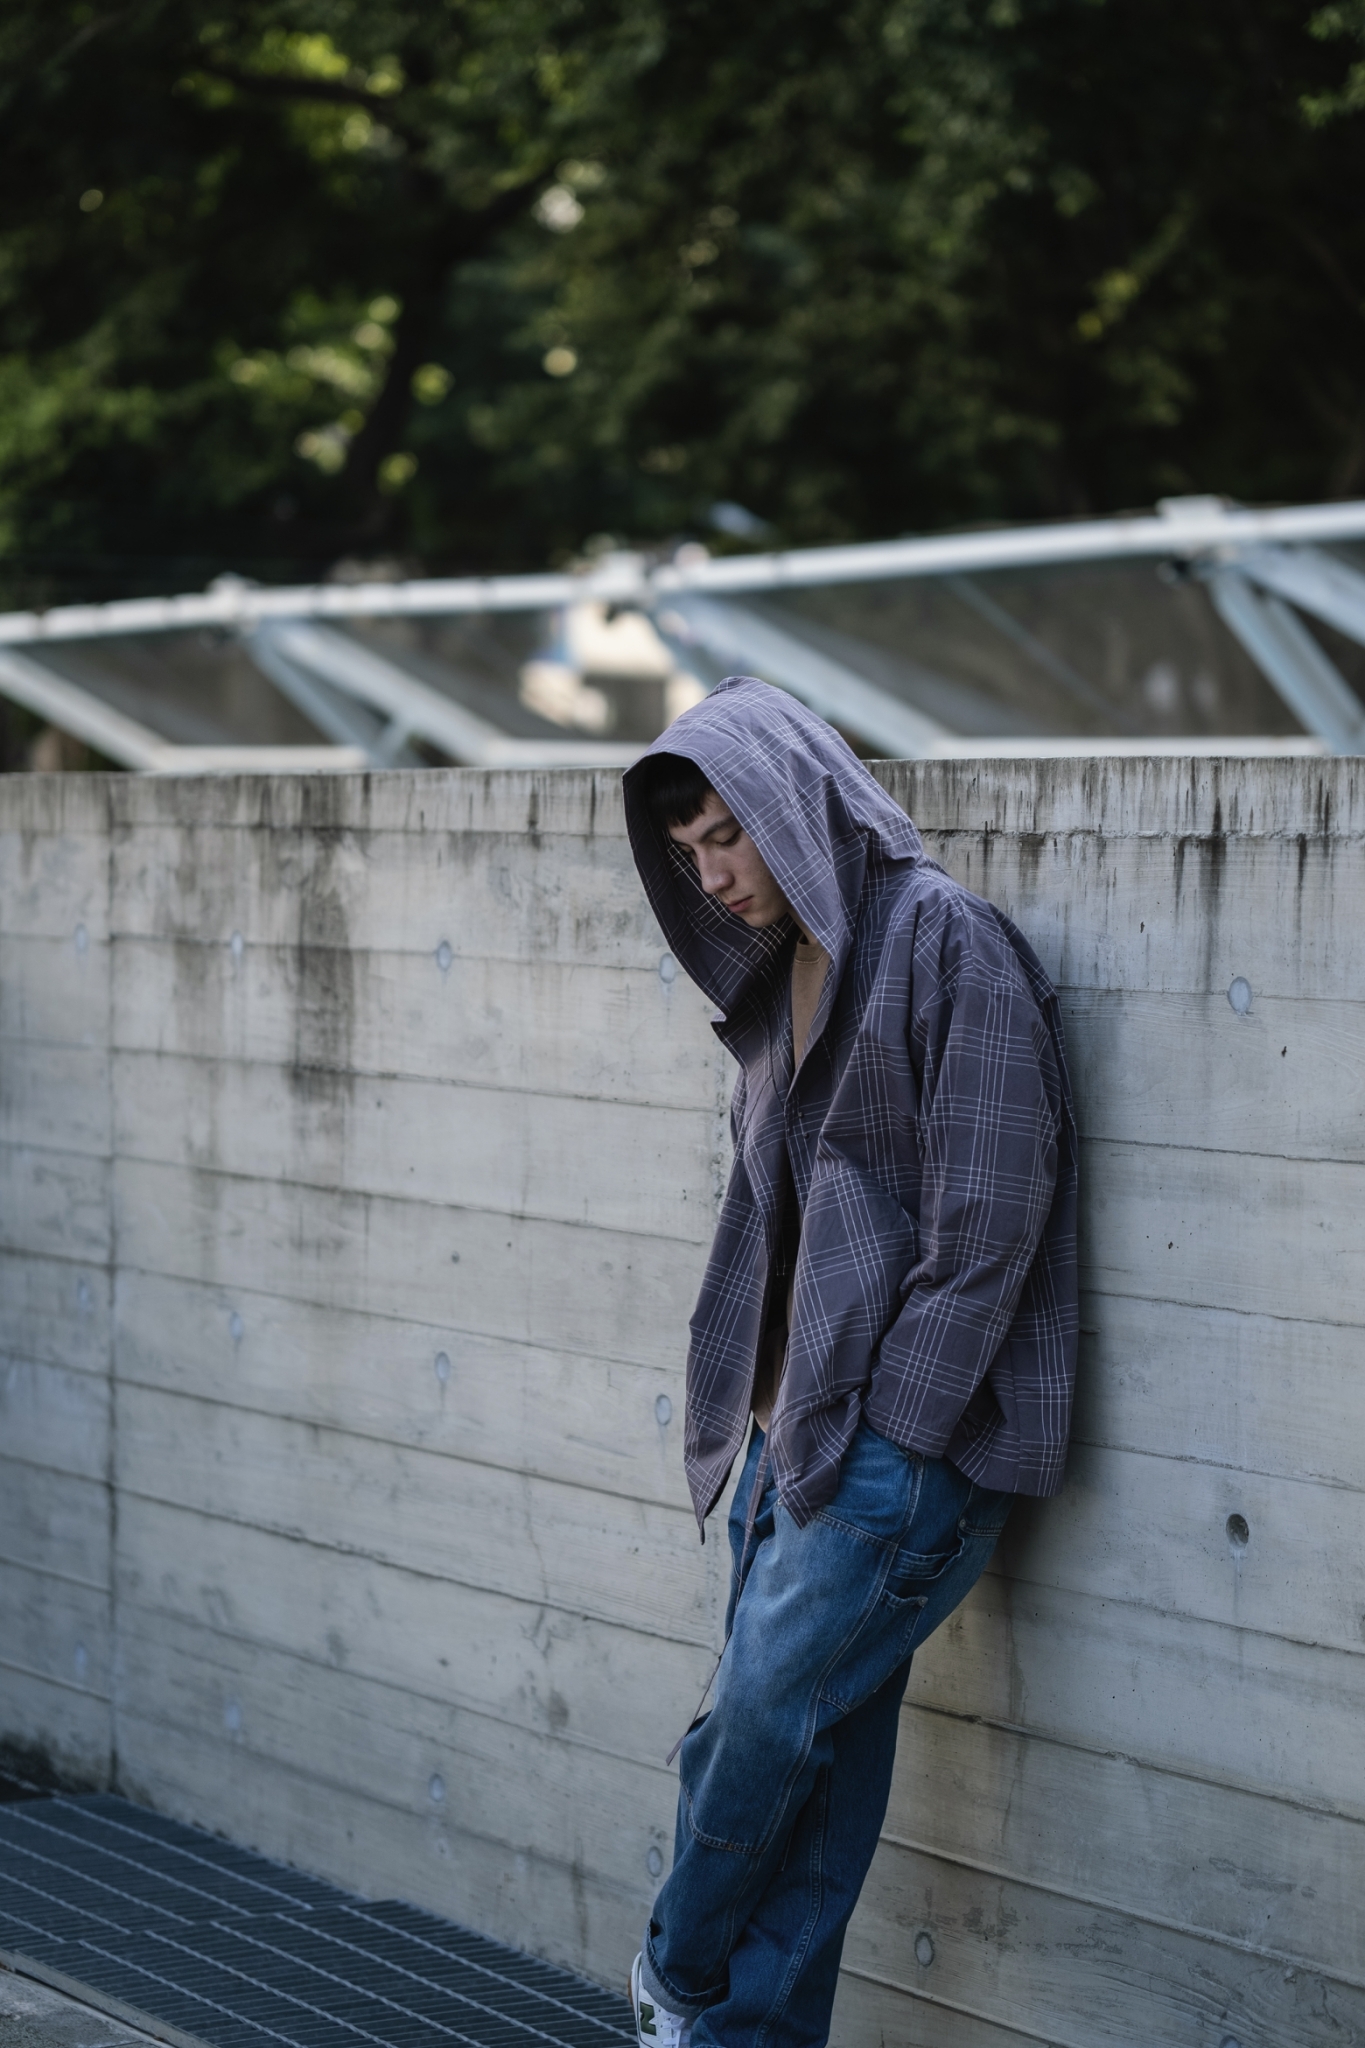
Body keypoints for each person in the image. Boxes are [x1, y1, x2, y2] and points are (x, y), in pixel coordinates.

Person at [620, 678, 1078, 2048]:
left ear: (796, 800)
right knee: (814, 1795)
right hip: (789, 1435)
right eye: (690, 851)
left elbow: (991, 1220)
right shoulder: (782, 973)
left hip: (888, 1450)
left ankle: (671, 1977)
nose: (714, 875)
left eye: (728, 835)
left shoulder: (946, 941)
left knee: (752, 1730)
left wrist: (898, 1433)